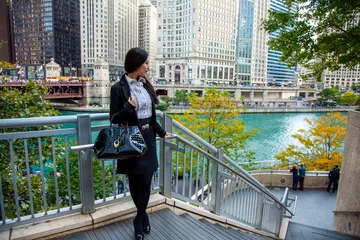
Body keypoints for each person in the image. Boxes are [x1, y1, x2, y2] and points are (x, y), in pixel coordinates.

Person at [110, 47, 171, 240]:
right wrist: (128, 107)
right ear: (136, 63)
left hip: (149, 139)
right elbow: (113, 118)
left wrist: (161, 132)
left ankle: (138, 218)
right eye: (145, 63)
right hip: (131, 140)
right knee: (136, 183)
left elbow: (151, 115)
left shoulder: (146, 85)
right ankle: (143, 215)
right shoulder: (117, 88)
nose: (148, 67)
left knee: (146, 181)